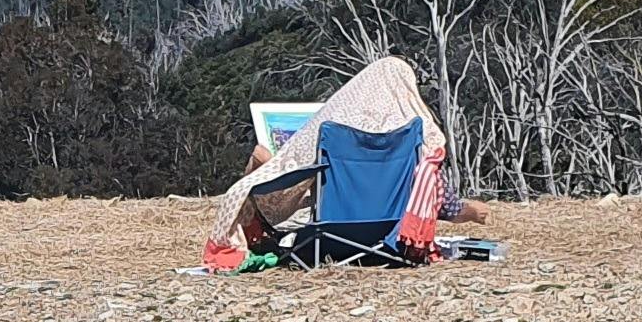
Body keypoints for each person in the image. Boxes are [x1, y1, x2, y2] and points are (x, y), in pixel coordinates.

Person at [199, 55, 486, 270]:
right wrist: (469, 211)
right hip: (387, 239)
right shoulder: (414, 141)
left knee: (261, 160)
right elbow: (442, 201)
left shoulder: (336, 128)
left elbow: (293, 172)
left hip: (329, 237)